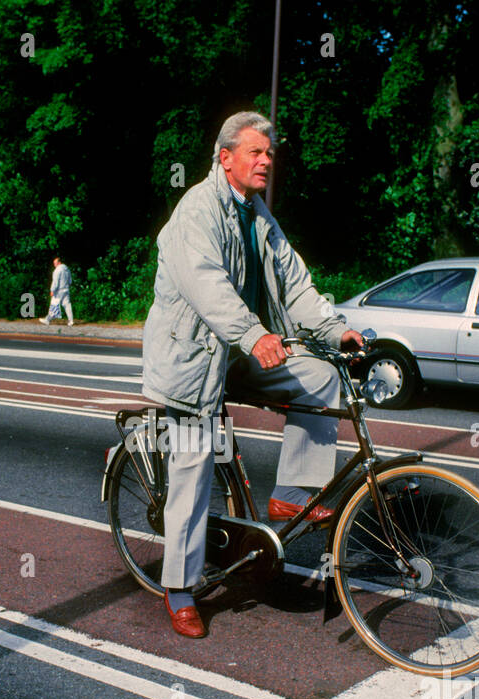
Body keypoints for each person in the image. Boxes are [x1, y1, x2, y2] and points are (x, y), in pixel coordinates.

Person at [141, 111, 365, 639]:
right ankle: (179, 589)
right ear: (226, 158)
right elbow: (207, 285)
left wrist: (335, 332)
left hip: (238, 351)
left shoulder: (258, 214)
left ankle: (291, 492)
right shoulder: (196, 210)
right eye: (255, 153)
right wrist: (253, 334)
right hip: (194, 358)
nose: (266, 161)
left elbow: (295, 285)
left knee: (317, 375)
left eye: (270, 153)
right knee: (194, 469)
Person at [41, 256, 74, 326]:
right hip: (66, 289)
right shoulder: (67, 269)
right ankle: (71, 321)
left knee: (54, 304)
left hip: (59, 291)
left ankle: (47, 320)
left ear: (59, 262)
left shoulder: (57, 270)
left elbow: (55, 282)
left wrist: (52, 290)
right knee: (67, 305)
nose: (54, 265)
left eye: (55, 263)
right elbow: (70, 281)